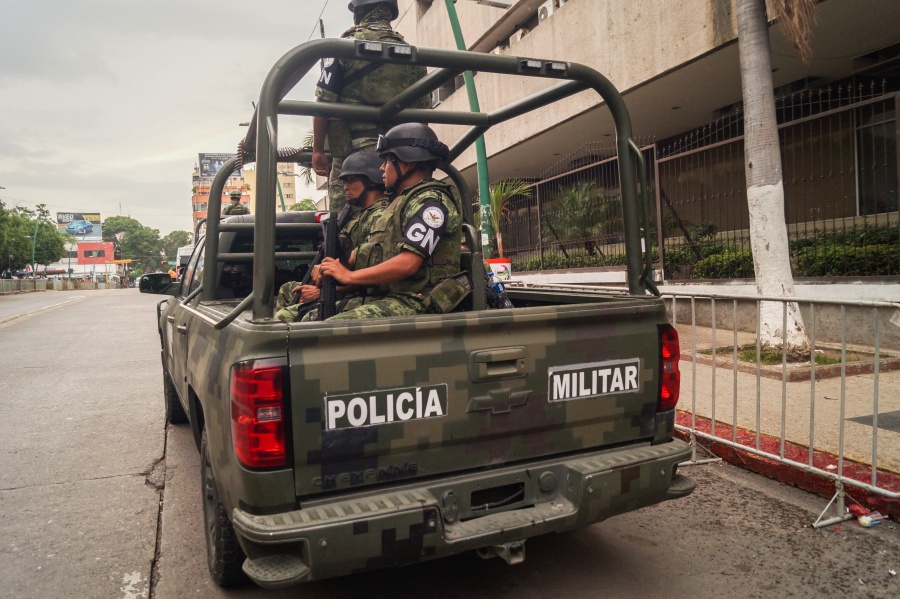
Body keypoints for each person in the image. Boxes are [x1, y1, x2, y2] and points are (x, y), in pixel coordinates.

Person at [317, 123, 462, 320]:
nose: (382, 168)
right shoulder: (403, 202)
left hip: (420, 300)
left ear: (407, 163)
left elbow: (408, 263)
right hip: (395, 295)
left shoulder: (431, 202)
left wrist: (348, 276)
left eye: (387, 160)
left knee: (329, 329)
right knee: (308, 316)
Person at [312, 0, 429, 213]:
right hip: (398, 158)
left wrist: (318, 150)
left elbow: (323, 104)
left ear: (359, 11)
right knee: (397, 215)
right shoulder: (412, 54)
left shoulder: (344, 48)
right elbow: (423, 115)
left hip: (353, 154)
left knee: (345, 222)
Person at [274, 151, 391, 322]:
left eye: (351, 180)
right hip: (343, 286)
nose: (345, 187)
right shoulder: (360, 215)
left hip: (360, 290)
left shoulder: (379, 216)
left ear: (371, 181)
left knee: (287, 316)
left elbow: (370, 272)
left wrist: (325, 292)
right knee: (288, 290)